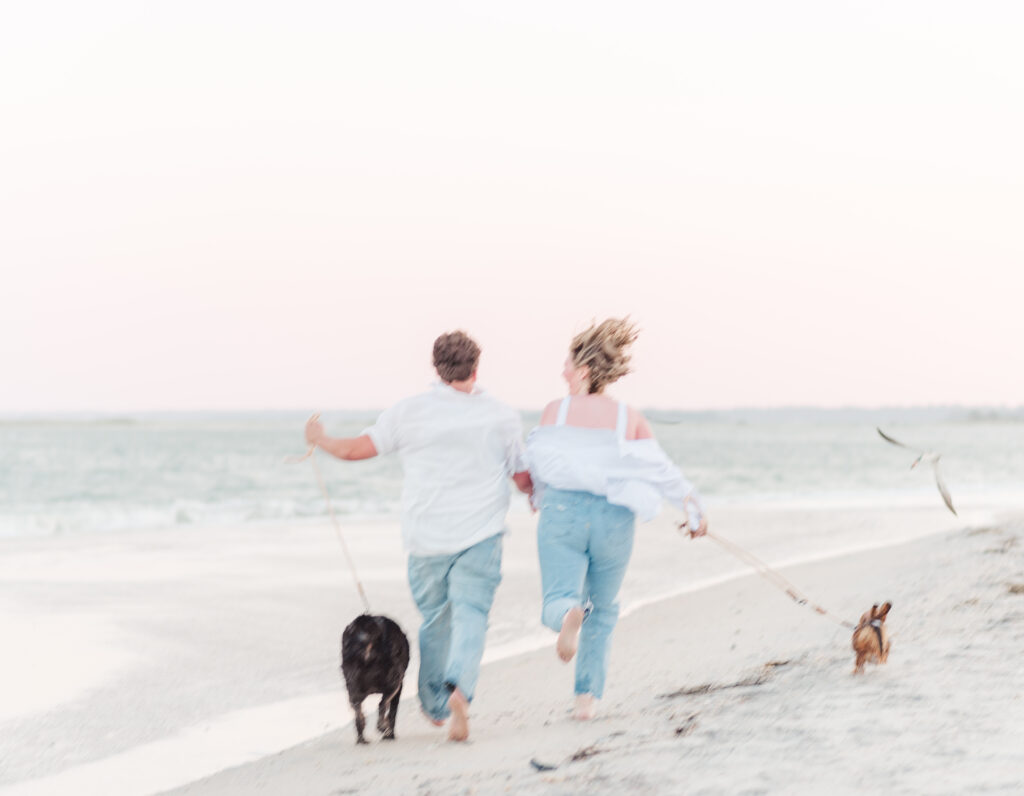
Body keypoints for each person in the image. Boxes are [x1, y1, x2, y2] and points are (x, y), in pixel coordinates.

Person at [305, 331, 532, 742]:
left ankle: (434, 703)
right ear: (475, 369)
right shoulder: (500, 414)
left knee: (436, 620)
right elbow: (521, 475)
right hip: (482, 533)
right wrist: (538, 491)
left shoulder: (408, 412)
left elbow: (354, 450)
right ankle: (460, 688)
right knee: (472, 616)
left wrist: (319, 438)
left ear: (436, 366)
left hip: (426, 538)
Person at [526, 318, 707, 720]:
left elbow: (538, 461)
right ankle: (586, 701)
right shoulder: (629, 417)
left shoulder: (555, 412)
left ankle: (567, 616)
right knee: (603, 609)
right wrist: (693, 510)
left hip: (563, 512)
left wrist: (536, 497)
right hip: (615, 520)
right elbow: (661, 469)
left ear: (585, 371)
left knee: (559, 598)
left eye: (568, 366)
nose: (563, 373)